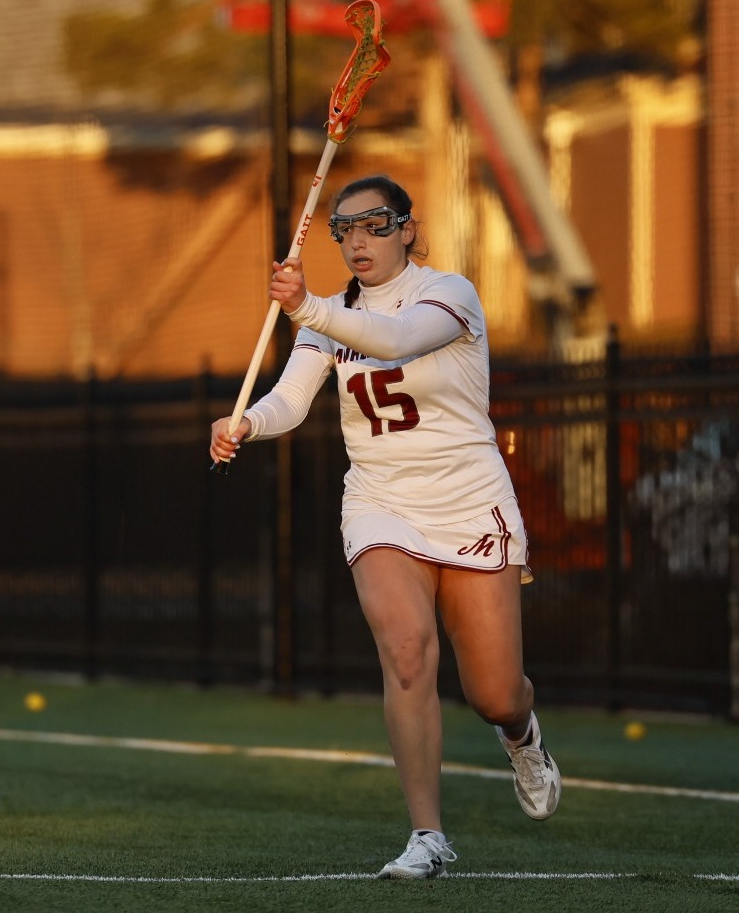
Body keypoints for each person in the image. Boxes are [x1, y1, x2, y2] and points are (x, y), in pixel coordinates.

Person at [209, 176, 559, 879]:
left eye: (373, 225)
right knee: (405, 650)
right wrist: (247, 421)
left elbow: (397, 341)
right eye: (343, 229)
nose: (357, 241)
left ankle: (522, 735)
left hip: (466, 498)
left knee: (492, 690)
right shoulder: (329, 314)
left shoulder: (449, 295)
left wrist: (306, 306)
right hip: (380, 500)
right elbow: (291, 399)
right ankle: (426, 835)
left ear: (405, 228)